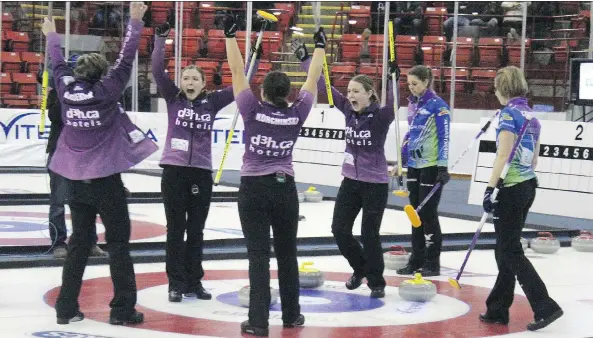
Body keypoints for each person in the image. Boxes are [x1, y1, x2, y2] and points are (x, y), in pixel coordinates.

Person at [42, 2, 157, 326]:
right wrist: (135, 20)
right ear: (102, 73)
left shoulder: (64, 90)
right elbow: (127, 56)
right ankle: (122, 310)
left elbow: (57, 61)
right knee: (119, 245)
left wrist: (51, 34)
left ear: (79, 72)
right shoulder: (108, 91)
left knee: (79, 244)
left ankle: (66, 309)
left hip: (76, 182)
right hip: (106, 181)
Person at [224, 14, 326, 336]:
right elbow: (313, 81)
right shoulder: (298, 112)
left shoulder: (252, 109)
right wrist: (320, 47)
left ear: (264, 92)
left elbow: (238, 72)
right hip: (285, 189)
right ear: (287, 92)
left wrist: (230, 36)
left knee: (258, 256)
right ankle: (292, 316)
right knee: (287, 254)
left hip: (253, 188)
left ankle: (257, 323)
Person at [151, 21, 260, 303]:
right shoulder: (173, 98)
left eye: (194, 79)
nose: (189, 83)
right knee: (175, 230)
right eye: (186, 78)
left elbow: (241, 81)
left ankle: (194, 282)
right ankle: (175, 283)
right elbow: (156, 71)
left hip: (200, 173)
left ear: (203, 83)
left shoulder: (211, 103)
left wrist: (254, 56)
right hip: (174, 172)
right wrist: (160, 39)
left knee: (197, 230)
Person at [295, 38, 399, 298]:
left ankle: (376, 282)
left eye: (356, 91)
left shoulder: (381, 116)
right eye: (349, 91)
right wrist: (306, 60)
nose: (350, 95)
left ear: (369, 94)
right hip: (350, 181)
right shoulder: (348, 112)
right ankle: (360, 268)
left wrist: (393, 79)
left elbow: (394, 100)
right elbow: (324, 85)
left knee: (370, 234)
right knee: (339, 230)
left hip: (375, 184)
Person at [480, 66, 563, 331]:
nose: (494, 93)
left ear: (503, 89)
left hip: (511, 188)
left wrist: (490, 188)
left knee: (511, 250)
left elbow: (502, 155)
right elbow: (535, 159)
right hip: (527, 185)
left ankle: (544, 304)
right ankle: (497, 308)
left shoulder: (507, 114)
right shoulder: (531, 115)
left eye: (495, 88)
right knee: (504, 248)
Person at [38, 57, 107, 259]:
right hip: (60, 152)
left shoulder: (95, 93)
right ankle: (58, 242)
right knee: (58, 201)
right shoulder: (58, 93)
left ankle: (89, 242)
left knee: (88, 200)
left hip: (85, 153)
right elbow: (56, 116)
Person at [396, 65, 450, 277]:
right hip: (414, 165)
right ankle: (416, 259)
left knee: (428, 214)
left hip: (430, 166)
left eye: (415, 84)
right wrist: (402, 156)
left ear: (426, 82)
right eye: (408, 84)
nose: (411, 88)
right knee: (415, 214)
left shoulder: (438, 106)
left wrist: (442, 165)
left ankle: (432, 261)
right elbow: (411, 132)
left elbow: (444, 136)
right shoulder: (412, 105)